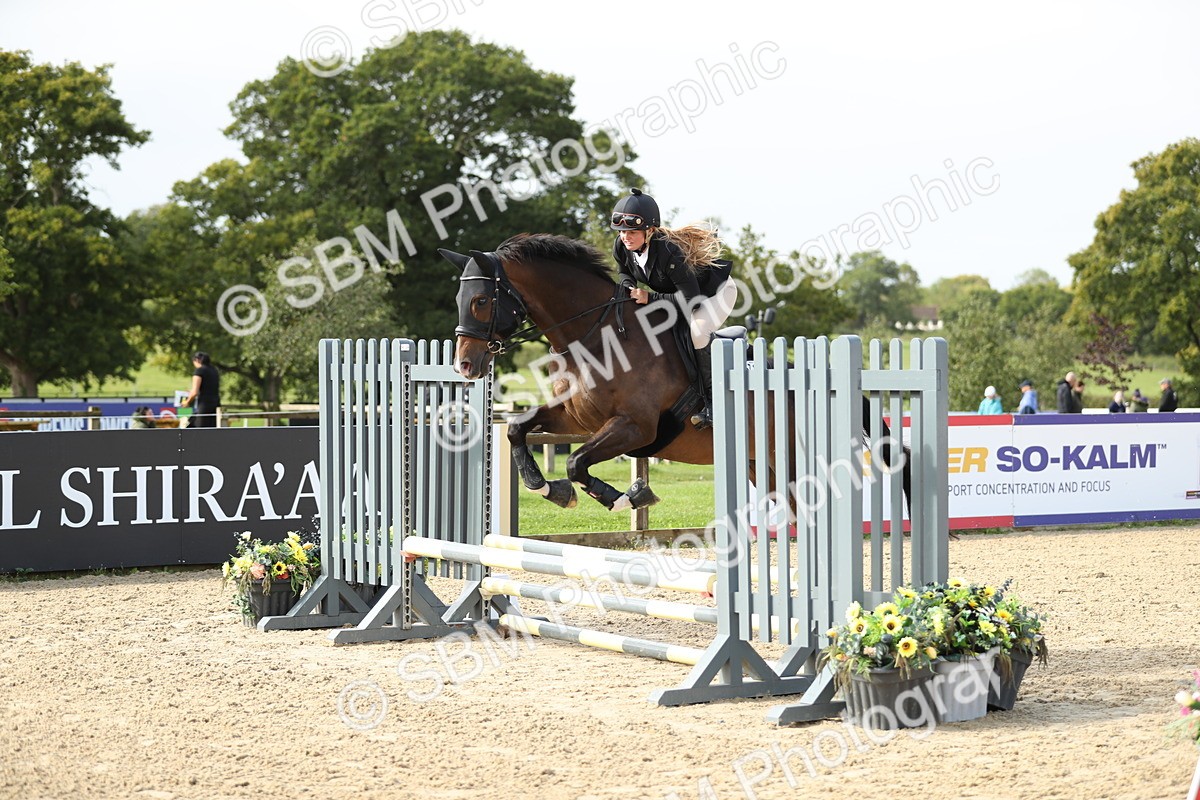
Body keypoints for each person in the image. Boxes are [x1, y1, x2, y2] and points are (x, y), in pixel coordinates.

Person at [610, 188, 737, 430]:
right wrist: (628, 288)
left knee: (697, 333)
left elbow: (691, 300)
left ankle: (713, 401)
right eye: (622, 232)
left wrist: (650, 297)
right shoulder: (622, 246)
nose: (626, 237)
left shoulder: (668, 251)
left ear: (649, 231)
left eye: (632, 232)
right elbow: (624, 272)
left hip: (714, 294)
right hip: (679, 296)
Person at [180, 351, 221, 428]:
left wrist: (187, 402)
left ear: (197, 360)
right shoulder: (214, 370)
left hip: (204, 405)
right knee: (213, 427)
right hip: (216, 403)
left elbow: (195, 391)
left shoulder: (199, 371)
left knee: (199, 428)